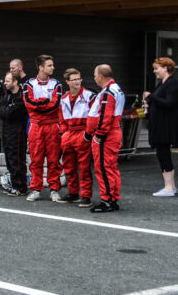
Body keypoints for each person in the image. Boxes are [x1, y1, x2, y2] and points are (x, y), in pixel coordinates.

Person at [23, 54, 64, 202]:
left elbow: (55, 104)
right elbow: (29, 104)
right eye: (49, 65)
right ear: (41, 67)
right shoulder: (28, 84)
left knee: (54, 159)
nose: (53, 68)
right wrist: (44, 103)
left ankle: (54, 189)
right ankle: (36, 189)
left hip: (53, 125)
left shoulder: (57, 84)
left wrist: (39, 105)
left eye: (52, 65)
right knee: (36, 159)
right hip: (35, 125)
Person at [85, 64, 125, 213]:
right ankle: (112, 198)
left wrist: (99, 135)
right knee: (111, 168)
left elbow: (105, 116)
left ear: (101, 76)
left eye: (95, 75)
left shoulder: (108, 92)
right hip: (113, 133)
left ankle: (107, 201)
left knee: (103, 168)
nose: (94, 78)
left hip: (106, 136)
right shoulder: (116, 89)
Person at [58, 68, 95, 206]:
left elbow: (94, 116)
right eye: (74, 79)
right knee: (69, 166)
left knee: (84, 167)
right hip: (68, 134)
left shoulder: (89, 96)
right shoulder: (63, 98)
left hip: (82, 133)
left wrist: (87, 134)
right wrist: (63, 133)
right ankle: (73, 193)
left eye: (79, 79)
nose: (78, 82)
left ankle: (86, 195)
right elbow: (61, 119)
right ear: (67, 82)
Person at [143, 57, 178, 197]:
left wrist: (151, 97)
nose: (154, 71)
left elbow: (170, 103)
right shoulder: (161, 84)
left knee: (163, 154)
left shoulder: (172, 84)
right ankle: (171, 187)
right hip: (160, 126)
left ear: (165, 68)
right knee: (162, 154)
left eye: (156, 68)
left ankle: (169, 188)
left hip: (166, 127)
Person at [0, 71, 29, 197]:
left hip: (18, 133)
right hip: (6, 131)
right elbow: (0, 109)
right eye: (5, 81)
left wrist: (4, 110)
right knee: (9, 159)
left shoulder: (21, 96)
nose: (5, 83)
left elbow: (9, 113)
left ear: (15, 82)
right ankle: (13, 184)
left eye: (7, 81)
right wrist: (4, 110)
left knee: (17, 160)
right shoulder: (7, 95)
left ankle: (20, 187)